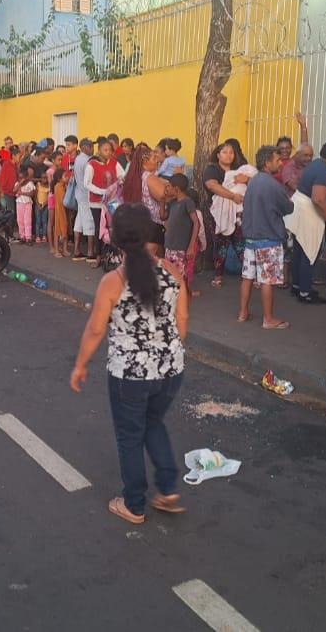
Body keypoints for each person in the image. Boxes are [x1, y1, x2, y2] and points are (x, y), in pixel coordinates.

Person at [70, 203, 188, 525]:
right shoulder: (173, 273)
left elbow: (96, 329)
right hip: (171, 369)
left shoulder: (113, 281)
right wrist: (164, 351)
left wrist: (80, 365)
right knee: (153, 423)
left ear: (118, 240)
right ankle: (167, 490)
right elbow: (183, 323)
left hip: (130, 375)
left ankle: (134, 504)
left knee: (130, 436)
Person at [285, 140, 326, 304]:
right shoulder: (323, 171)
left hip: (301, 208)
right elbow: (319, 199)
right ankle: (305, 292)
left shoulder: (318, 165)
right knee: (309, 252)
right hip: (309, 213)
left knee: (300, 250)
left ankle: (298, 286)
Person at [239, 146, 294, 328]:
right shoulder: (273, 185)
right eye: (277, 160)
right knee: (267, 280)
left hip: (250, 240)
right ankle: (268, 319)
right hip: (268, 240)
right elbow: (288, 208)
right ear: (267, 162)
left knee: (247, 277)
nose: (280, 163)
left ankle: (243, 312)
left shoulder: (253, 182)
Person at [205, 139, 248, 287]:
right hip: (220, 214)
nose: (228, 155)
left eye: (231, 152)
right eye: (224, 152)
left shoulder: (239, 170)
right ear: (218, 155)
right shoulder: (212, 169)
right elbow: (212, 185)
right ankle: (218, 276)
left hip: (238, 213)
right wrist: (232, 196)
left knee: (241, 243)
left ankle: (249, 275)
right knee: (221, 244)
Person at [85, 138, 124, 265]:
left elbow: (122, 176)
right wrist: (102, 191)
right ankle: (98, 256)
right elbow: (87, 184)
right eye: (105, 150)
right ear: (99, 150)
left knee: (112, 228)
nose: (107, 152)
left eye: (109, 150)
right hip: (96, 202)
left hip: (112, 203)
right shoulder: (92, 164)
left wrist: (118, 184)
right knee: (99, 229)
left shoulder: (114, 163)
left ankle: (113, 255)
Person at [162, 174, 200, 296]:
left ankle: (184, 295)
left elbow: (196, 223)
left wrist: (190, 246)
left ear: (176, 189)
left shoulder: (187, 202)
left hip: (180, 247)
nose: (167, 189)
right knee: (170, 273)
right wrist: (163, 201)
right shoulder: (172, 203)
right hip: (169, 246)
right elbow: (163, 216)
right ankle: (178, 295)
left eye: (169, 187)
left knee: (180, 275)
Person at [72, 139, 95, 261]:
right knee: (89, 223)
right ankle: (90, 253)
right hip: (86, 195)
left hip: (79, 194)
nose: (93, 148)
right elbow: (89, 180)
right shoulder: (87, 161)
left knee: (79, 223)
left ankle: (77, 250)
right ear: (85, 147)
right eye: (91, 146)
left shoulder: (78, 159)